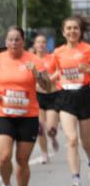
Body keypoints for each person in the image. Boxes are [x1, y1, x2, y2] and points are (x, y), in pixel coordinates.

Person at [0, 26, 54, 186]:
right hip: (4, 115)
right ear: (6, 41)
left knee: (22, 161)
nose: (13, 43)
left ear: (23, 41)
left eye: (17, 39)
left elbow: (47, 87)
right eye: (10, 39)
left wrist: (37, 75)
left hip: (27, 116)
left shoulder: (34, 61)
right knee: (4, 157)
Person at [49, 16, 90, 186]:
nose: (72, 31)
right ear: (63, 32)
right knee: (72, 139)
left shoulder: (88, 49)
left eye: (75, 28)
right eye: (69, 28)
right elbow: (55, 73)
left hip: (85, 95)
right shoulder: (58, 52)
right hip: (65, 97)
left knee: (87, 142)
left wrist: (87, 70)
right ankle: (76, 179)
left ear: (80, 31)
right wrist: (44, 80)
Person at [31, 33, 60, 164]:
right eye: (38, 42)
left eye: (43, 42)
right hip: (37, 96)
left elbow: (59, 71)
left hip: (52, 95)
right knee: (40, 128)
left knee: (51, 129)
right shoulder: (31, 60)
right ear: (34, 45)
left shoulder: (52, 58)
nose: (41, 44)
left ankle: (53, 138)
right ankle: (44, 153)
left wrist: (48, 80)